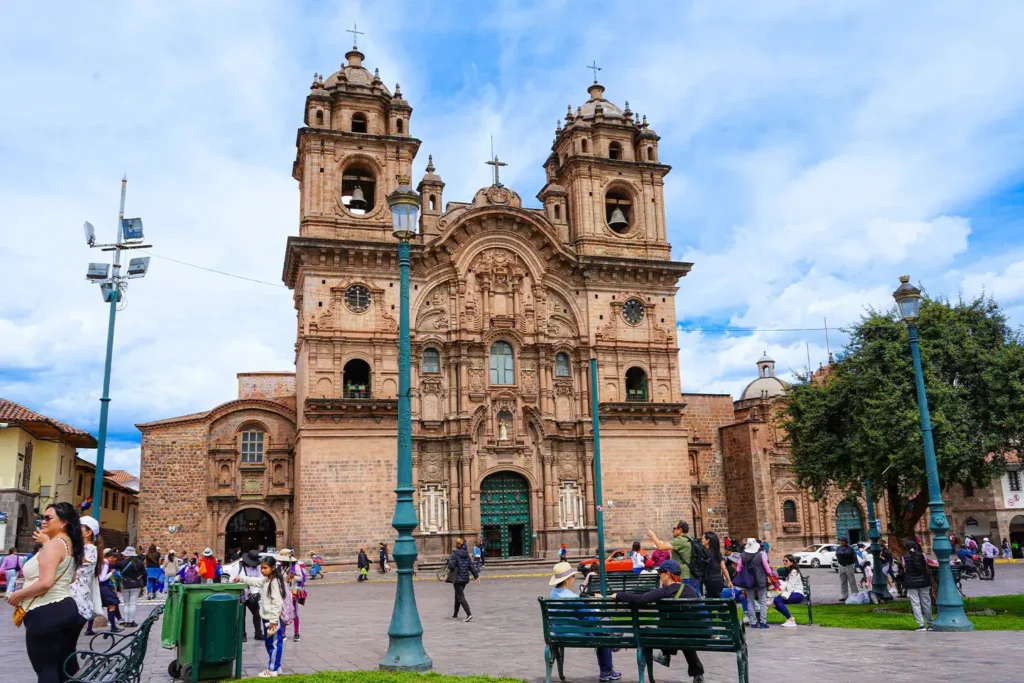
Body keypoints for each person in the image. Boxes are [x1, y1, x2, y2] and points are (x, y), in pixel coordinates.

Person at [7, 502, 84, 683]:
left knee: (46, 670)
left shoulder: (54, 545)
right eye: (43, 517)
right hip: (66, 608)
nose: (43, 521)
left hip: (46, 613)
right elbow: (70, 578)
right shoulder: (70, 544)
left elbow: (46, 582)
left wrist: (18, 595)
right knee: (66, 668)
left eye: (49, 518)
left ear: (63, 522)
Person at [611, 560, 704, 683]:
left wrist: (618, 595)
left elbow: (641, 599)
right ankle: (696, 673)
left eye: (660, 572)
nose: (659, 575)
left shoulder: (666, 591)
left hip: (670, 635)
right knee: (681, 633)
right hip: (693, 635)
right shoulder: (691, 590)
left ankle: (662, 656)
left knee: (645, 632)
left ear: (668, 574)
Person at [547, 561, 620, 682]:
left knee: (603, 631)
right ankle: (606, 670)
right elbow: (589, 618)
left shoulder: (552, 595)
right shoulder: (572, 598)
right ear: (566, 580)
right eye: (573, 576)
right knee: (603, 631)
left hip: (558, 634)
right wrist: (598, 607)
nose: (574, 579)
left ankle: (612, 645)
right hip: (576, 634)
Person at [233, 555, 289, 678]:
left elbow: (277, 602)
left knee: (274, 644)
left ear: (273, 568)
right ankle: (276, 666)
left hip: (271, 619)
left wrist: (274, 620)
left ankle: (273, 669)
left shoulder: (274, 582)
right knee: (269, 644)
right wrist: (241, 578)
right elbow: (256, 581)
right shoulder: (267, 580)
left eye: (265, 568)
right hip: (266, 617)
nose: (263, 570)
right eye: (262, 568)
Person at [70, 515, 102, 645]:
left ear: (88, 533)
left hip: (79, 597)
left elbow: (81, 565)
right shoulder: (84, 548)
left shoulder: (90, 549)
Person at [646, 521, 697, 592]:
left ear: (680, 530)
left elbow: (661, 547)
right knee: (695, 597)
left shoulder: (680, 540)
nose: (672, 531)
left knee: (685, 598)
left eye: (674, 528)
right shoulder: (690, 538)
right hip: (692, 573)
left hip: (683, 575)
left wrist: (653, 535)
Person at [735, 538, 773, 629]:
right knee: (762, 601)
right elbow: (767, 568)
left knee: (750, 601)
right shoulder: (761, 555)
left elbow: (738, 569)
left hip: (748, 581)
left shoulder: (742, 556)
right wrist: (770, 575)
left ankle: (753, 622)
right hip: (760, 580)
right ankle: (763, 622)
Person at [902, 539, 933, 631]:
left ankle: (921, 625)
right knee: (926, 602)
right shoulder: (922, 555)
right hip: (924, 580)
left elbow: (904, 567)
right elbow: (926, 564)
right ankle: (930, 624)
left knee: (915, 603)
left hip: (912, 582)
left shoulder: (904, 557)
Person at [446, 537, 480, 622]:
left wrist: (449, 561)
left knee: (460, 596)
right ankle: (455, 614)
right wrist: (476, 576)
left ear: (457, 545)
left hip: (457, 578)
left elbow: (451, 566)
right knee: (457, 595)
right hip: (465, 578)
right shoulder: (466, 554)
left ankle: (469, 614)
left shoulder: (455, 554)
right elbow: (471, 566)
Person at [113, 546, 146, 627]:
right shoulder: (139, 563)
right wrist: (144, 584)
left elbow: (111, 566)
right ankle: (131, 621)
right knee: (133, 604)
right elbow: (144, 574)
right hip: (136, 584)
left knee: (126, 604)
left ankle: (127, 621)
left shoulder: (121, 563)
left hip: (124, 584)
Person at [236, 550, 264, 641]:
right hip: (241, 595)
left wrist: (256, 591)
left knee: (257, 613)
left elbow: (260, 580)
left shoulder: (257, 568)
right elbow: (233, 580)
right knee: (242, 615)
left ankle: (258, 633)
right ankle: (242, 634)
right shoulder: (238, 567)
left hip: (252, 595)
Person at [771, 555, 804, 628]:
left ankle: (790, 619)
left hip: (797, 594)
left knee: (777, 600)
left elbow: (790, 587)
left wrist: (780, 585)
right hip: (791, 593)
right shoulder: (789, 571)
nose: (784, 562)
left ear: (791, 562)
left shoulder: (794, 571)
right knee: (773, 601)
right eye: (783, 560)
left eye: (786, 561)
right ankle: (789, 618)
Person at [284, 550, 306, 642]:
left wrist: (292, 576)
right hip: (284, 591)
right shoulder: (281, 567)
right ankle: (283, 633)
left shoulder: (295, 566)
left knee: (295, 612)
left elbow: (301, 577)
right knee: (284, 612)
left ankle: (296, 633)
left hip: (293, 591)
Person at [700, 531, 729, 598]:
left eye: (703, 538)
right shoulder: (717, 553)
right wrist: (729, 581)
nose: (701, 540)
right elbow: (724, 568)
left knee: (712, 602)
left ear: (708, 540)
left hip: (709, 580)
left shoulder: (703, 553)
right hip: (719, 579)